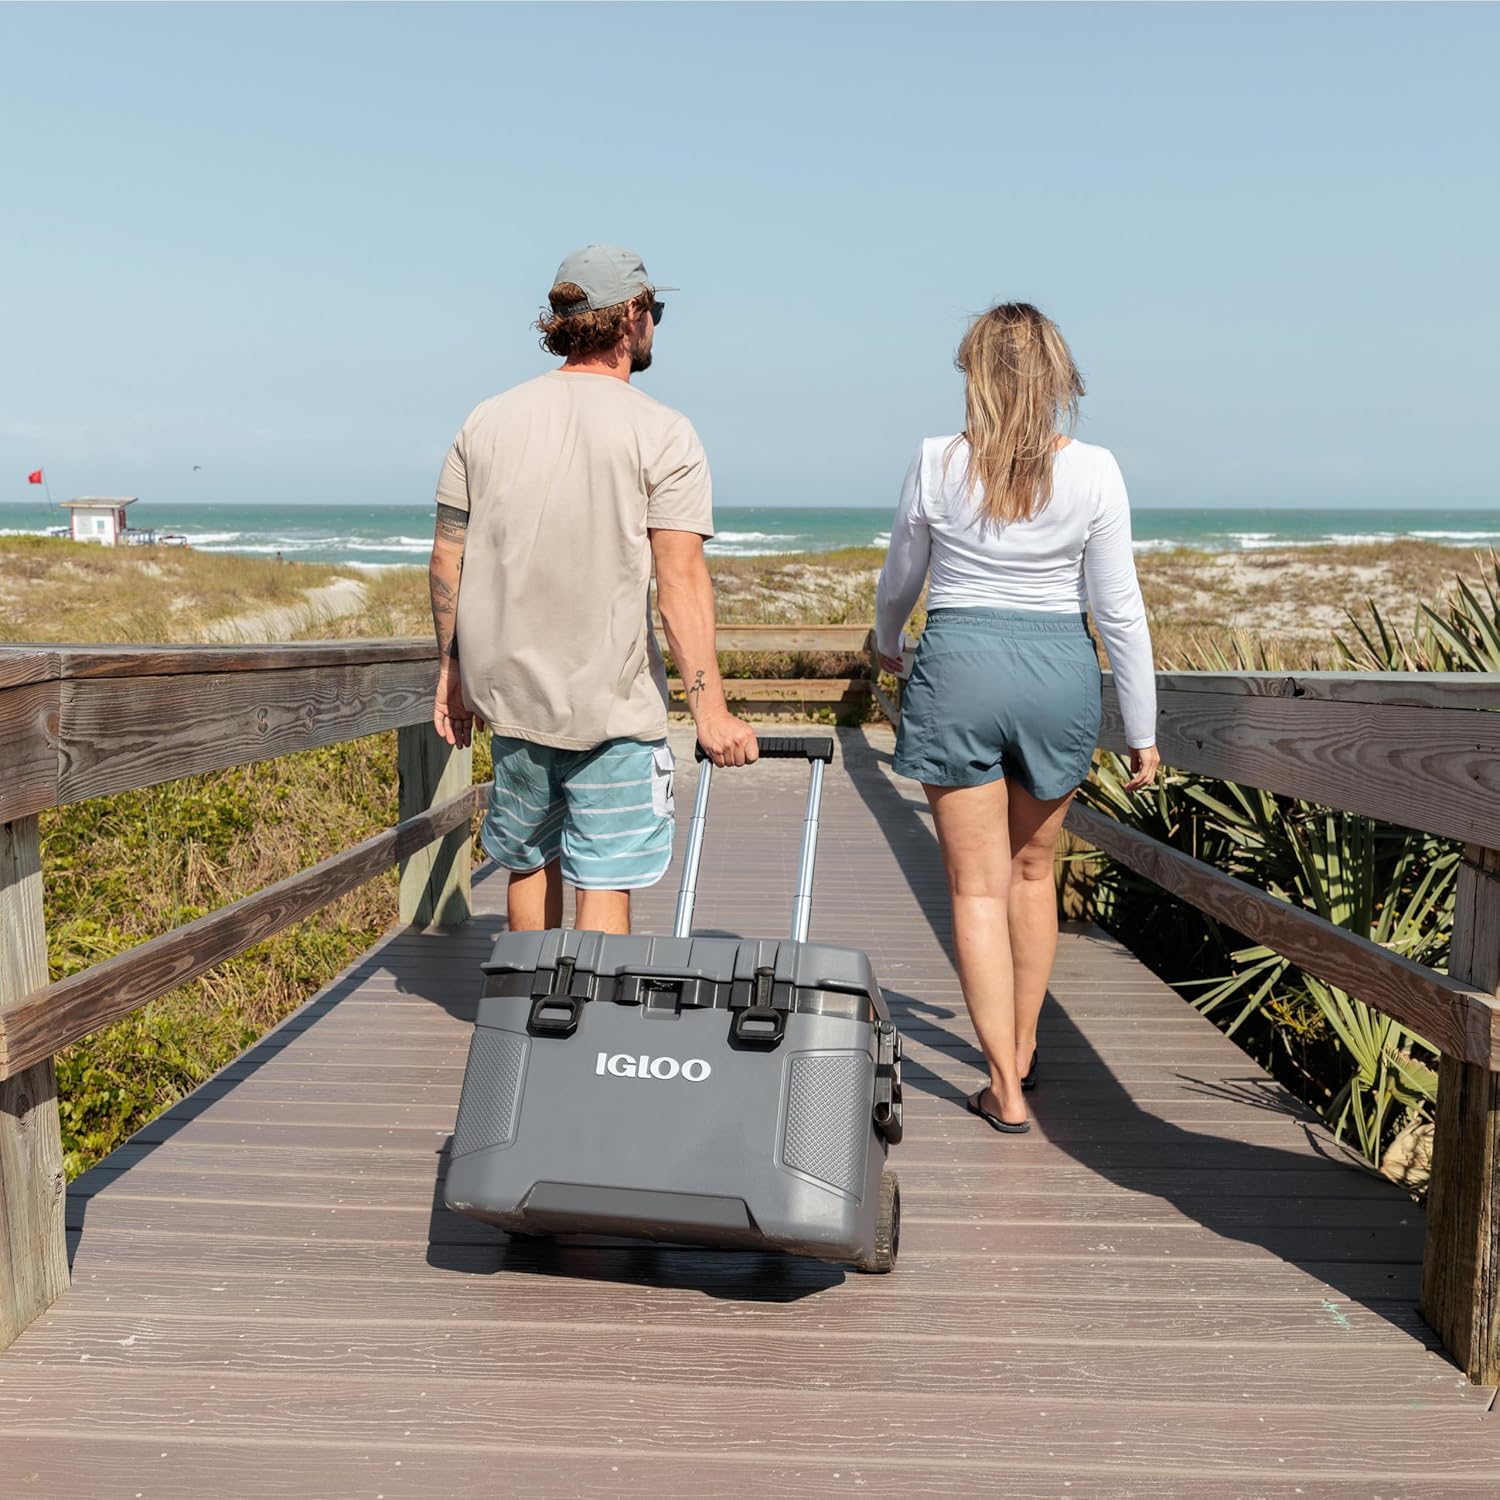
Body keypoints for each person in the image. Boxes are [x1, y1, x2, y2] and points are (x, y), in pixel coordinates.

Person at [874, 302, 1160, 1134]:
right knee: (1034, 875)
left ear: (975, 374)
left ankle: (1001, 1083)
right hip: (1056, 673)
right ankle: (1026, 1044)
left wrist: (889, 641)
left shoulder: (936, 462)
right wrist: (1141, 725)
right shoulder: (1097, 470)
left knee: (975, 888)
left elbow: (901, 576)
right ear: (1057, 378)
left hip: (959, 665)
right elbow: (1121, 610)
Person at [426, 244, 758, 937]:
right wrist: (711, 711)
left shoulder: (485, 421)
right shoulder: (663, 432)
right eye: (654, 311)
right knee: (605, 875)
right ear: (631, 315)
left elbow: (447, 562)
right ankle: (590, 1033)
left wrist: (451, 672)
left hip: (512, 701)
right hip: (613, 706)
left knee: (528, 863)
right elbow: (681, 583)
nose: (655, 325)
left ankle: (525, 1021)